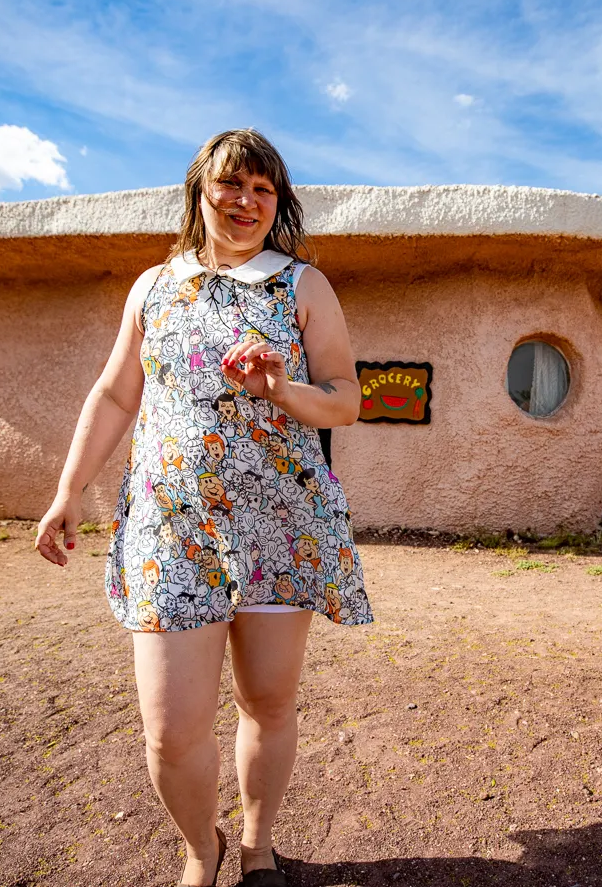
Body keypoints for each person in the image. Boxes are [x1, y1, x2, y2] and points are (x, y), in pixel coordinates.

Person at [35, 129, 373, 887]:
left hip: (280, 524)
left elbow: (347, 399)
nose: (247, 200)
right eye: (232, 184)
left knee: (268, 701)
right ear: (200, 191)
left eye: (263, 189)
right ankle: (201, 846)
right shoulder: (154, 286)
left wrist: (281, 389)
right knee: (170, 731)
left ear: (277, 203)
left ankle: (257, 844)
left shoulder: (303, 286)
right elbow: (118, 393)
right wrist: (67, 492)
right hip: (171, 528)